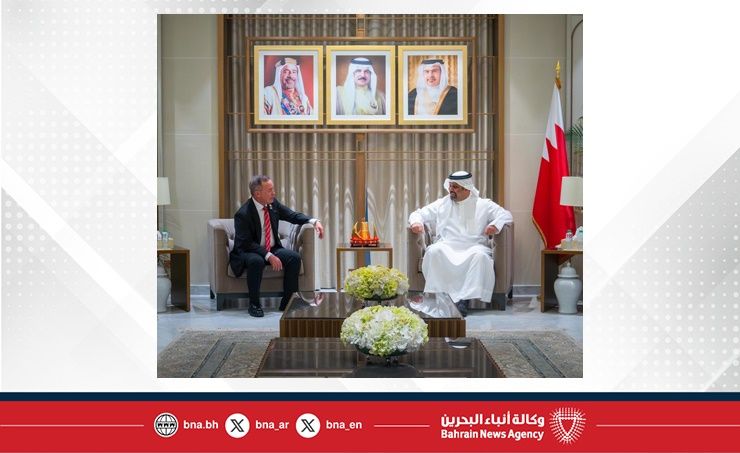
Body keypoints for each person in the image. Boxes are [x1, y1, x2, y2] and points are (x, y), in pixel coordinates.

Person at [408, 171, 512, 316]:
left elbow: (506, 215)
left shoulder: (483, 204)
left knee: (480, 257)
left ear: (466, 188)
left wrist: (495, 225)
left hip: (474, 247)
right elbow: (418, 213)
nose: (451, 189)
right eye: (450, 186)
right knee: (433, 252)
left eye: (455, 187)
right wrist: (416, 222)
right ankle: (440, 297)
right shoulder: (442, 203)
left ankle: (463, 300)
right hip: (446, 245)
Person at [229, 175, 324, 317]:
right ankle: (254, 304)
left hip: (272, 248)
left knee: (294, 258)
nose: (274, 193)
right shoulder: (243, 214)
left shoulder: (273, 205)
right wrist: (268, 255)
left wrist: (314, 221)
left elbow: (292, 215)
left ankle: (288, 303)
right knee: (256, 261)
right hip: (249, 250)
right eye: (270, 190)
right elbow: (246, 243)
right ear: (257, 194)